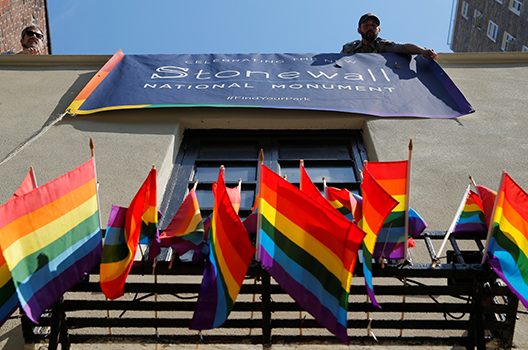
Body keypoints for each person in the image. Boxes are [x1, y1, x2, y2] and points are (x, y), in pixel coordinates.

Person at [341, 13, 438, 61]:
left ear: (378, 31)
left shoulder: (383, 45)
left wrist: (422, 51)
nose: (370, 27)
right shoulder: (349, 47)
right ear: (359, 30)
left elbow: (404, 47)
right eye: (366, 25)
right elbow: (336, 65)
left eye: (374, 25)